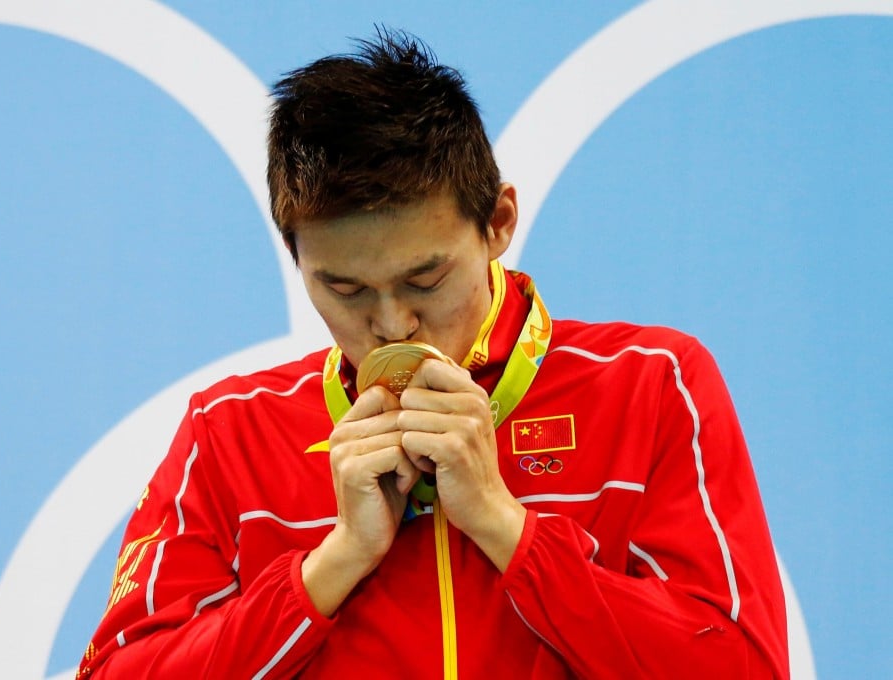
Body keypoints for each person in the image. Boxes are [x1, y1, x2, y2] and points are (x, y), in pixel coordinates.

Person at [77, 30, 789, 679]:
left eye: (426, 278)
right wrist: (336, 561)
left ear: (498, 222)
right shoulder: (229, 431)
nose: (392, 322)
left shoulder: (649, 384)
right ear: (295, 259)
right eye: (344, 288)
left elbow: (743, 667)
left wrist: (502, 524)